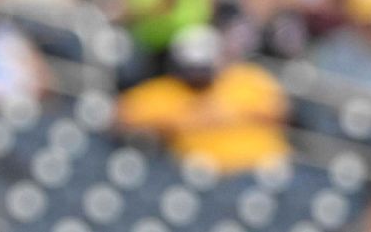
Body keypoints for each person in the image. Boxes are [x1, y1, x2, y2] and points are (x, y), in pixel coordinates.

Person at [116, 25, 291, 174]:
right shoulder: (166, 91)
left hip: (258, 168)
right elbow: (122, 117)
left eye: (203, 68)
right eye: (193, 68)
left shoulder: (246, 80)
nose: (198, 75)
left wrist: (231, 113)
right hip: (199, 173)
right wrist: (177, 122)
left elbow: (280, 113)